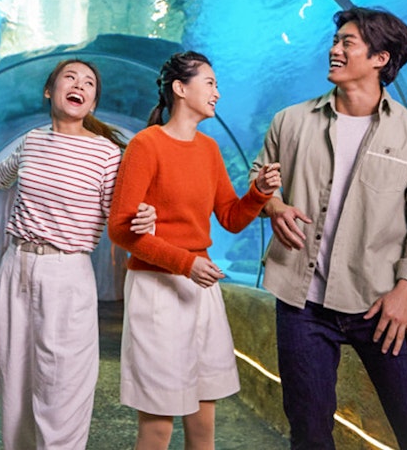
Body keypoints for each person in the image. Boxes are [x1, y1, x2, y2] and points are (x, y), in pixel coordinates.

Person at [250, 6, 407, 450]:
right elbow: (258, 177)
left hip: (381, 302)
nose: (334, 49)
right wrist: (275, 204)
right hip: (301, 302)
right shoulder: (291, 121)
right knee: (309, 432)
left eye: (348, 43)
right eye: (336, 40)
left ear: (381, 58)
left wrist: (406, 292)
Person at [0, 58, 155, 450]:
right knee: (15, 381)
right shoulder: (31, 141)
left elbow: (120, 217)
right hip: (15, 267)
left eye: (89, 83)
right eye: (70, 78)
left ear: (92, 102)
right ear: (49, 91)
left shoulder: (107, 154)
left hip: (67, 272)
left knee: (63, 383)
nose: (79, 85)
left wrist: (146, 217)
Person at [107, 51, 281, 450]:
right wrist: (186, 263)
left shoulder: (209, 149)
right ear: (180, 89)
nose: (218, 92)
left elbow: (232, 218)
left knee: (204, 421)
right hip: (157, 290)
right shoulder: (145, 145)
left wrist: (260, 193)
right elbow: (119, 229)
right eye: (211, 83)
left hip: (200, 291)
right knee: (158, 426)